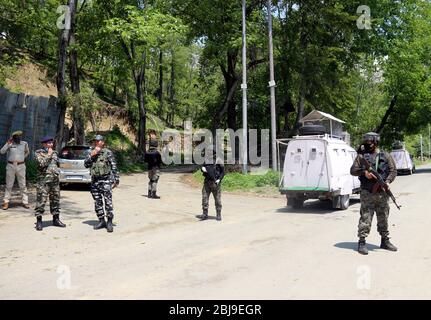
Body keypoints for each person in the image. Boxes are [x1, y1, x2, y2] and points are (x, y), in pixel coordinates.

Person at [350, 132, 397, 255]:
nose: (367, 145)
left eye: (370, 142)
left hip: (382, 193)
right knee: (365, 217)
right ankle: (362, 242)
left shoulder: (386, 155)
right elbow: (353, 170)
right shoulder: (361, 157)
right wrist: (364, 172)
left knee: (383, 217)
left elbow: (393, 171)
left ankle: (385, 241)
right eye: (366, 142)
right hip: (367, 192)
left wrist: (387, 181)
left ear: (376, 142)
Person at [84, 135, 119, 233]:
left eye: (98, 141)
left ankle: (109, 222)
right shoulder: (91, 152)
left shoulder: (108, 153)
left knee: (108, 202)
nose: (96, 143)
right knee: (97, 202)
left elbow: (114, 166)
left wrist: (116, 179)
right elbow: (86, 164)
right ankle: (101, 221)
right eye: (95, 141)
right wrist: (92, 155)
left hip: (106, 180)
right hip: (95, 181)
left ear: (102, 142)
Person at [34, 136, 66, 231]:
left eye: (51, 143)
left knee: (55, 201)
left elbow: (58, 164)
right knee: (41, 201)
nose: (51, 145)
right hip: (43, 182)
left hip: (54, 182)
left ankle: (56, 219)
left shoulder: (55, 153)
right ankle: (39, 222)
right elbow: (41, 164)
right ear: (43, 144)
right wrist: (49, 154)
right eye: (48, 143)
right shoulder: (38, 153)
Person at [0, 130, 30, 210]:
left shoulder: (24, 143)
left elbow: (27, 152)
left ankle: (25, 202)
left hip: (21, 166)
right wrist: (7, 143)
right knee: (9, 185)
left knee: (23, 185)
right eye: (16, 137)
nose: (18, 138)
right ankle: (6, 202)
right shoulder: (10, 144)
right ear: (13, 138)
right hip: (10, 166)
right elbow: (2, 152)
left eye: (19, 136)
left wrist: (23, 158)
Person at [198, 146, 225, 221]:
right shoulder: (206, 160)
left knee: (217, 199)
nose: (208, 153)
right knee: (204, 198)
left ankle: (218, 214)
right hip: (207, 182)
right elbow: (202, 168)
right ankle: (205, 213)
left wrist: (219, 179)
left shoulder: (218, 160)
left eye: (210, 151)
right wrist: (203, 169)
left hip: (215, 183)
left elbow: (223, 172)